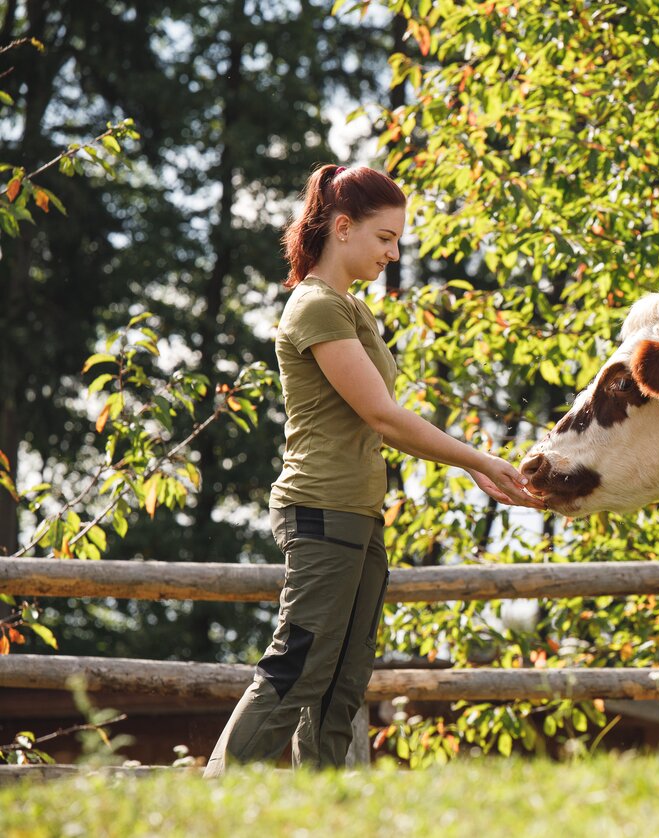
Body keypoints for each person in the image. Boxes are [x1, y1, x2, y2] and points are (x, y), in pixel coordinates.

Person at [204, 164, 540, 777]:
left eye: (397, 240)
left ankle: (323, 804)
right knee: (299, 665)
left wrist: (470, 464)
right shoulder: (315, 306)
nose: (393, 253)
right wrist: (477, 460)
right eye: (385, 237)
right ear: (342, 228)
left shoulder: (349, 307)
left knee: (342, 679)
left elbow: (379, 420)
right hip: (320, 509)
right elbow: (382, 416)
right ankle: (213, 796)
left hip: (357, 511)